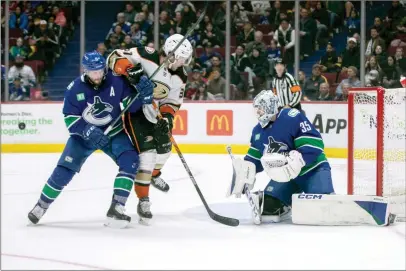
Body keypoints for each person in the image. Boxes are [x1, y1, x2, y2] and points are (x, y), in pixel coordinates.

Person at [27, 51, 154, 229]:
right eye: (93, 72)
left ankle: (117, 207)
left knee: (130, 160)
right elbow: (70, 118)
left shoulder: (116, 81)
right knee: (63, 170)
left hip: (113, 133)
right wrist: (87, 131)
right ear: (85, 71)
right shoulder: (74, 89)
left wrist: (143, 96)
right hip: (83, 137)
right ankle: (41, 205)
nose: (98, 75)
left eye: (100, 71)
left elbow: (131, 107)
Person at [106, 33, 192, 222]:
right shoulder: (148, 54)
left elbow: (172, 101)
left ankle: (153, 175)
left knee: (165, 148)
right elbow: (113, 57)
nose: (183, 64)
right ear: (171, 54)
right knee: (147, 156)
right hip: (135, 109)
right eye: (182, 60)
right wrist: (130, 70)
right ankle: (143, 200)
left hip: (156, 114)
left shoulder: (181, 75)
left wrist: (168, 118)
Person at [227, 90, 334, 224]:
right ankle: (286, 205)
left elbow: (315, 143)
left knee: (322, 209)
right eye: (256, 110)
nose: (257, 113)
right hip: (285, 177)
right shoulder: (258, 131)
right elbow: (253, 159)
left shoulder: (292, 117)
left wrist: (300, 159)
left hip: (312, 170)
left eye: (260, 109)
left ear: (269, 106)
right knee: (269, 207)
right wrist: (245, 174)